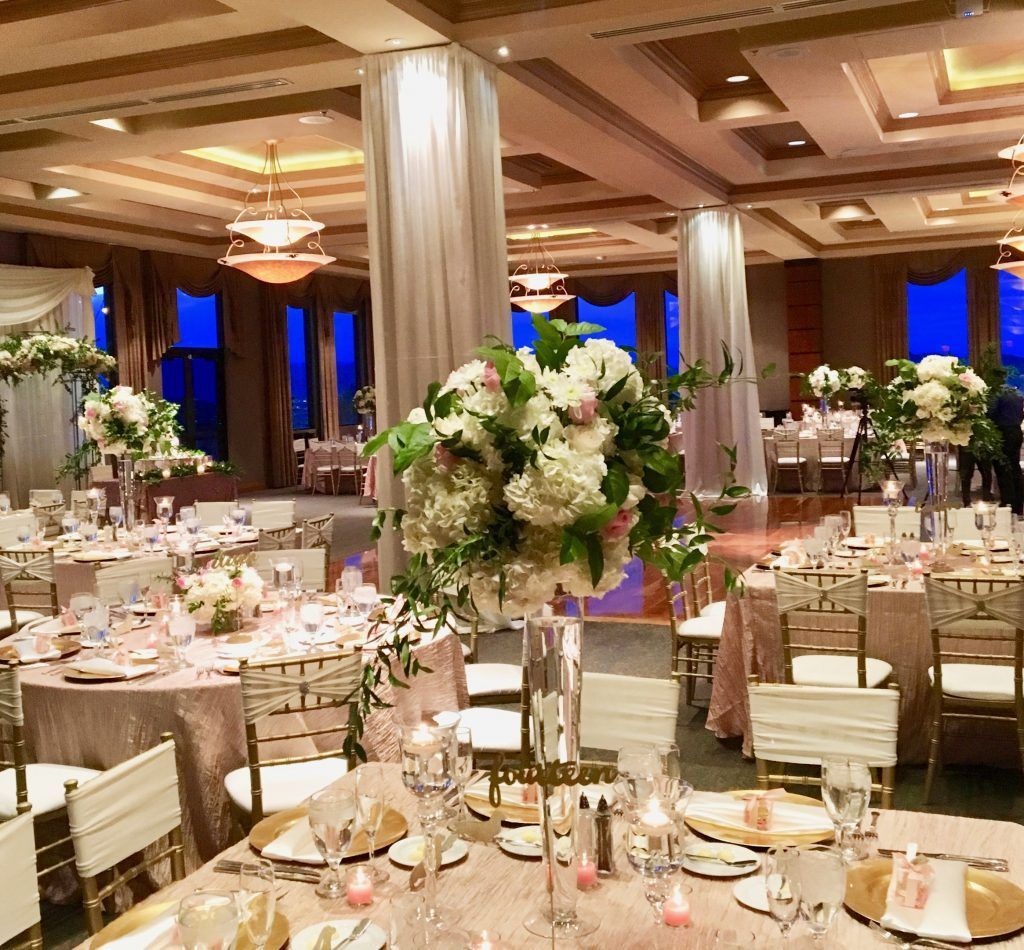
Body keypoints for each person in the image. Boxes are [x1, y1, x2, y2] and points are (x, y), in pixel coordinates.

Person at [988, 367, 1024, 516]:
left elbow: (991, 413)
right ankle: (1019, 503)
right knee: (1015, 467)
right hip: (1016, 431)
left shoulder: (997, 393)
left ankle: (1007, 502)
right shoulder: (1017, 392)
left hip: (1002, 432)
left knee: (1003, 468)